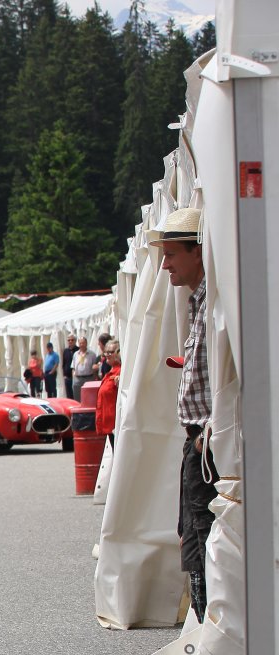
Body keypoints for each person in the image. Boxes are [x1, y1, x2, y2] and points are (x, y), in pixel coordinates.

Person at [152, 207, 215, 621]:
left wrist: (206, 435)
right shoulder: (200, 301)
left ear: (198, 252)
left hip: (207, 446)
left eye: (172, 254)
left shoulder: (213, 304)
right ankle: (205, 631)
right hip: (199, 444)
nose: (165, 264)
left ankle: (212, 634)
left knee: (204, 541)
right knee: (192, 540)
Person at [95, 338, 122, 448]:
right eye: (106, 352)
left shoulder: (121, 372)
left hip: (116, 424)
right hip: (110, 425)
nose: (106, 355)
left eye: (110, 352)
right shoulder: (111, 372)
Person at [61, 334, 78, 399]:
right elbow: (64, 363)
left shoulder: (78, 350)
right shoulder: (65, 351)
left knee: (76, 394)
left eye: (72, 340)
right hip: (67, 377)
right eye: (69, 340)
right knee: (69, 395)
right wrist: (64, 374)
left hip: (76, 376)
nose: (70, 341)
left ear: (75, 341)